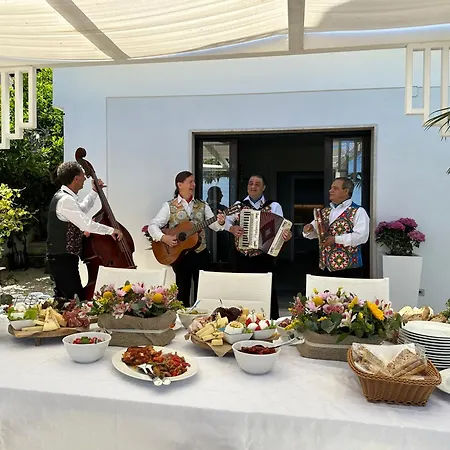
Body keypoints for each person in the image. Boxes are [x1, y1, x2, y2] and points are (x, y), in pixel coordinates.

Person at [47, 161, 123, 301]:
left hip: (64, 258)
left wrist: (94, 192)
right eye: (83, 175)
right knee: (76, 301)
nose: (85, 178)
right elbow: (86, 225)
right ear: (76, 178)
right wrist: (111, 230)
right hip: (62, 259)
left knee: (65, 301)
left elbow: (81, 210)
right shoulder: (65, 200)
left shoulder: (65, 197)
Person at [148, 171, 225, 307]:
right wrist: (164, 238)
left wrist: (221, 222)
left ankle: (202, 317)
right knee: (182, 291)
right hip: (180, 256)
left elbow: (215, 226)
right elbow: (153, 226)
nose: (193, 185)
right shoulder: (169, 206)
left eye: (194, 182)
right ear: (180, 185)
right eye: (190, 182)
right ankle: (182, 318)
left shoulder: (203, 205)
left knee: (203, 291)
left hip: (200, 253)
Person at [225, 174, 292, 319]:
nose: (253, 186)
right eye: (250, 183)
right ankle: (241, 320)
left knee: (266, 290)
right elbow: (225, 221)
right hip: (242, 256)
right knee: (242, 290)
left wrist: (287, 235)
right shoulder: (238, 205)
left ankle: (269, 321)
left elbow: (282, 228)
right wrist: (232, 228)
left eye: (257, 184)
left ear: (263, 188)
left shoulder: (274, 206)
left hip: (264, 256)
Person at [303, 177, 370, 278]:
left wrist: (335, 239)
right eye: (331, 188)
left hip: (349, 269)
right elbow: (315, 233)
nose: (330, 191)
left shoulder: (358, 211)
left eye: (335, 188)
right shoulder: (324, 212)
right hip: (325, 267)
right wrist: (309, 230)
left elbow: (361, 237)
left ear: (346, 191)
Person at [206, 186, 231, 263]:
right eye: (220, 193)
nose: (222, 195)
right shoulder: (223, 209)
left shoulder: (204, 208)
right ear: (216, 195)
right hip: (221, 243)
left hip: (207, 243)